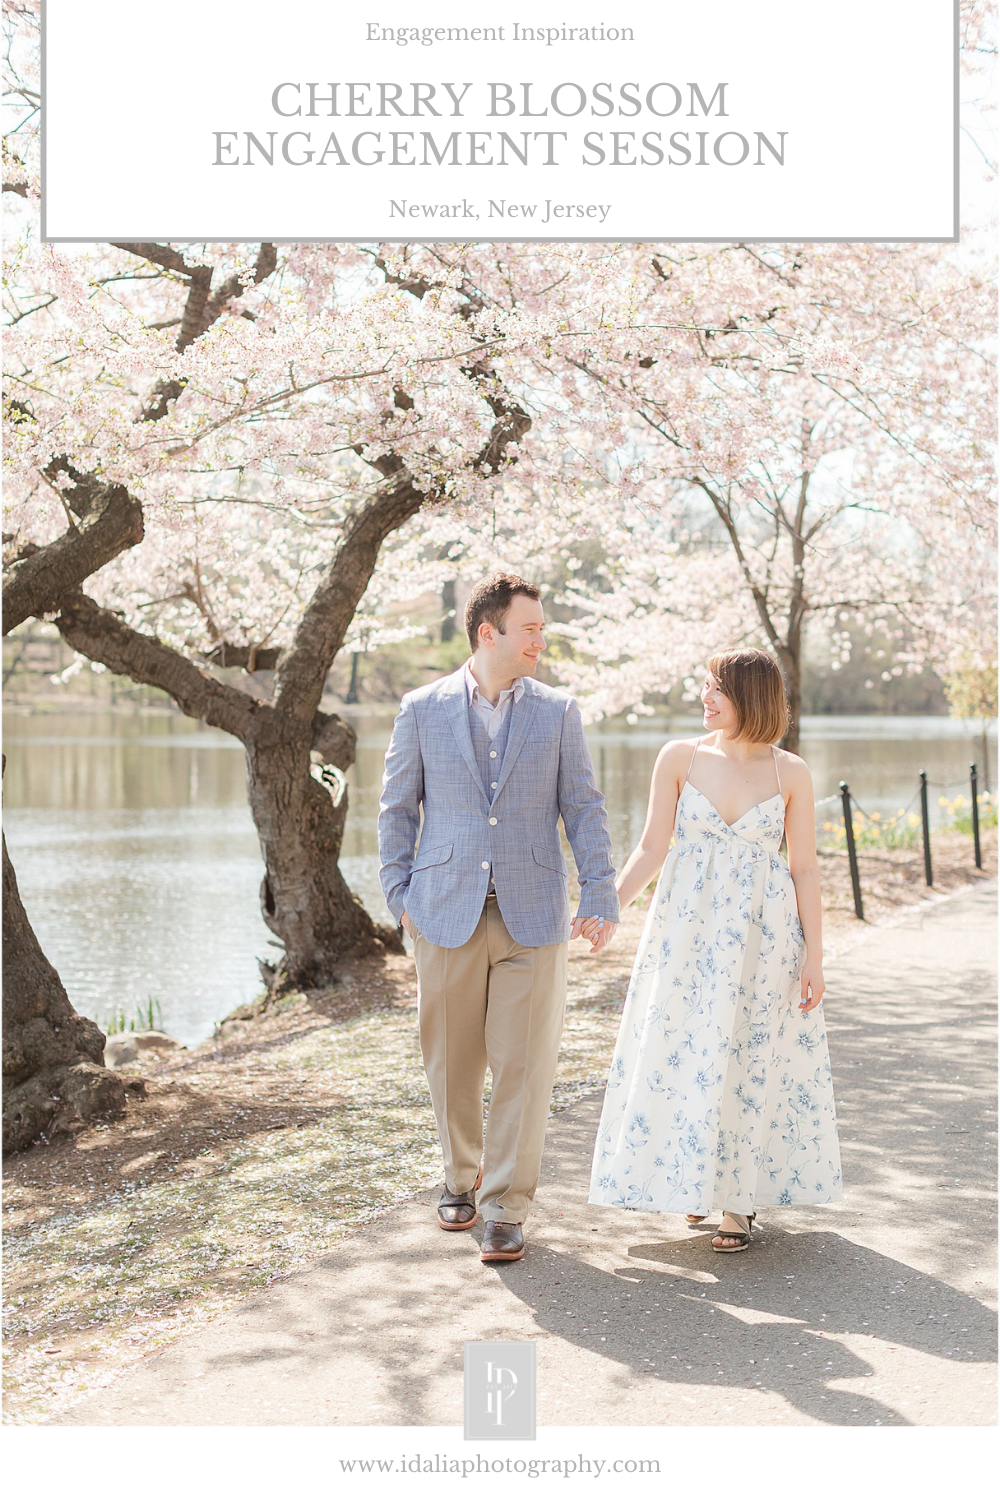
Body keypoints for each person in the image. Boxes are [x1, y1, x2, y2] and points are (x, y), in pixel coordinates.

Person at [378, 572, 619, 1263]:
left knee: (523, 1067)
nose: (541, 639)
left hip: (534, 914)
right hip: (441, 909)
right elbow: (396, 810)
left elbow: (584, 808)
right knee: (451, 1064)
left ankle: (505, 1206)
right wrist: (399, 896)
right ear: (490, 633)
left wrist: (600, 893)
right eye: (531, 628)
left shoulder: (558, 712)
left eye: (543, 628)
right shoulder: (420, 709)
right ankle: (460, 1176)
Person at [587, 648, 841, 1251]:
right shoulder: (680, 757)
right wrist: (608, 908)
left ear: (748, 697)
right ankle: (691, 1181)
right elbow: (651, 847)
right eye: (703, 686)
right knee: (686, 1050)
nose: (704, 698)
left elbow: (804, 869)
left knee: (748, 1057)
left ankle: (738, 1203)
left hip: (763, 937)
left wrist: (815, 957)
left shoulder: (791, 773)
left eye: (715, 689)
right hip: (685, 934)